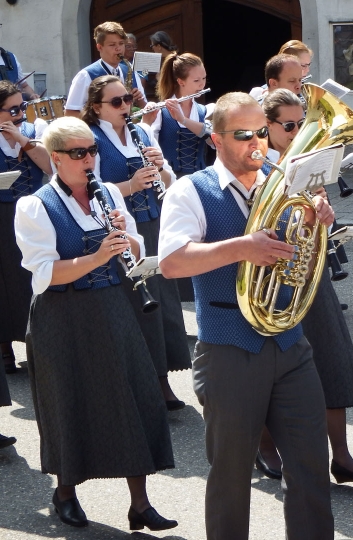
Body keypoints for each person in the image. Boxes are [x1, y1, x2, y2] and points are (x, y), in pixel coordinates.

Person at [158, 92, 335, 540]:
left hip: (291, 343)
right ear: (216, 139)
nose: (257, 143)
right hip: (228, 349)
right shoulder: (190, 190)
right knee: (231, 475)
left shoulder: (283, 182)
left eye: (261, 132)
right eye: (243, 135)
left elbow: (302, 257)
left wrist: (319, 224)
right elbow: (172, 262)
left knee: (312, 467)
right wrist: (242, 247)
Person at [14, 116, 176, 531]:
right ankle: (65, 492)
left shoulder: (108, 195)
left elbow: (136, 248)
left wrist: (128, 238)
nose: (90, 160)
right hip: (63, 316)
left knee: (132, 396)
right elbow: (45, 275)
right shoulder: (34, 206)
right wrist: (98, 256)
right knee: (71, 403)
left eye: (93, 151)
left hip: (114, 306)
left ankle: (140, 503)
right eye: (79, 153)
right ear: (56, 158)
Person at [253, 89, 353, 483]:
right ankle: (267, 447)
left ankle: (340, 454)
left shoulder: (308, 161)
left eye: (300, 124)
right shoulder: (256, 167)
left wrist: (323, 210)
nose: (295, 132)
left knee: (332, 358)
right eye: (288, 126)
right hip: (271, 279)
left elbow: (322, 219)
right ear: (267, 127)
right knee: (272, 370)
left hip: (309, 270)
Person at [82, 75, 189, 410]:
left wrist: (161, 170)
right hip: (120, 227)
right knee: (135, 304)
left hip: (155, 222)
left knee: (163, 301)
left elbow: (168, 180)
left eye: (127, 99)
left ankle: (163, 379)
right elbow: (89, 189)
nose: (125, 107)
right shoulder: (91, 138)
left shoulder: (141, 132)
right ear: (96, 107)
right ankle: (145, 382)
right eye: (116, 102)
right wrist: (130, 185)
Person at [0, 81, 52, 373]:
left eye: (23, 106)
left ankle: (36, 341)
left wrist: (22, 139)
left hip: (32, 210)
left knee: (34, 274)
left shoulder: (34, 129)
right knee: (5, 279)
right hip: (1, 212)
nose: (20, 113)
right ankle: (4, 344)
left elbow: (49, 167)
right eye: (13, 109)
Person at [65, 22, 147, 116]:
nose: (118, 49)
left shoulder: (131, 71)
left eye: (121, 43)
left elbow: (145, 108)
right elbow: (71, 113)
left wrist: (140, 100)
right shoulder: (85, 75)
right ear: (100, 47)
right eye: (112, 45)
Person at [151, 52, 211, 177]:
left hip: (199, 178)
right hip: (169, 180)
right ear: (181, 81)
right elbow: (150, 146)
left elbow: (215, 141)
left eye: (204, 78)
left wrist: (183, 120)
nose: (202, 84)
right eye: (196, 80)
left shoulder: (204, 111)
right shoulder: (160, 111)